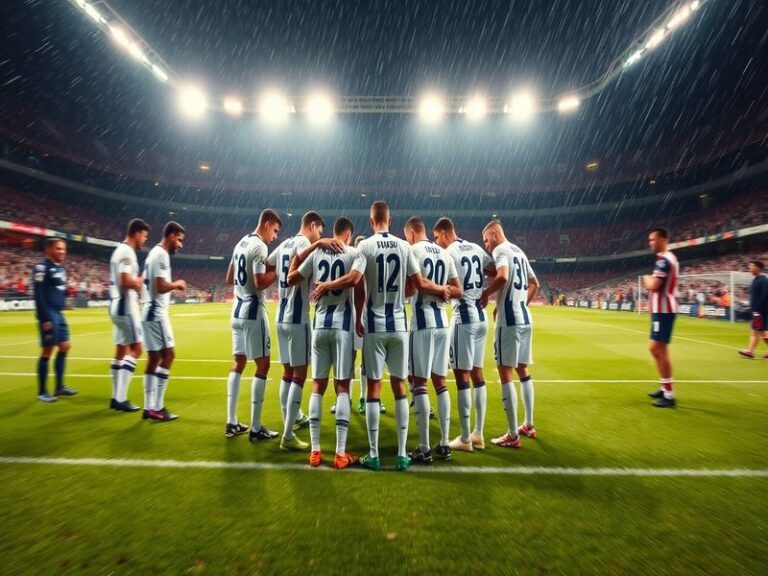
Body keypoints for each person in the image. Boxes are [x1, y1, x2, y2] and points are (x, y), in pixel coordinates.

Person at [314, 200, 448, 472]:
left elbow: (354, 280)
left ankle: (374, 455)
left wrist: (328, 285)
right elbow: (418, 284)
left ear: (371, 220)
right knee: (400, 387)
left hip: (374, 325)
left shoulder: (365, 245)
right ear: (390, 219)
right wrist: (439, 289)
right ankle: (402, 454)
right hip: (399, 326)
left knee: (373, 387)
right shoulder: (404, 245)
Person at [267, 211, 342, 452]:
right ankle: (288, 435)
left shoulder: (285, 244)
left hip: (280, 316)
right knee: (299, 375)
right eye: (319, 231)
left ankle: (292, 419)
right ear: (312, 225)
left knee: (287, 373)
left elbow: (268, 262)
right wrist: (318, 245)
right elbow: (298, 266)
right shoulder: (303, 244)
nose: (320, 236)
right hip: (297, 317)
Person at [287, 216, 358, 469]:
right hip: (343, 327)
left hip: (319, 326)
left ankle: (315, 450)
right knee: (342, 386)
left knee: (318, 385)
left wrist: (316, 245)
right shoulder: (353, 253)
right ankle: (339, 453)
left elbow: (290, 277)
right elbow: (357, 283)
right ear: (348, 235)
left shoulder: (317, 254)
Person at [403, 217, 462, 464]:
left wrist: (437, 289)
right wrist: (444, 289)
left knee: (420, 383)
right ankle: (445, 443)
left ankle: (425, 448)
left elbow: (418, 284)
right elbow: (458, 290)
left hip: (422, 323)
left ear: (411, 233)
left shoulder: (413, 250)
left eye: (406, 236)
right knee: (441, 382)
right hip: (442, 324)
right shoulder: (444, 253)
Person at [433, 217, 493, 451]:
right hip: (481, 318)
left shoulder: (448, 253)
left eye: (436, 237)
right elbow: (495, 270)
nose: (436, 242)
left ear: (443, 232)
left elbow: (445, 285)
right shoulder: (476, 247)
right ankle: (478, 433)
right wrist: (485, 292)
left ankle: (466, 438)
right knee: (478, 374)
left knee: (462, 378)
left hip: (464, 318)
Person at [479, 220, 539, 447]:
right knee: (523, 370)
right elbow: (534, 283)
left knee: (505, 373)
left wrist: (486, 293)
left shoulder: (501, 250)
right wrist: (521, 303)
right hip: (525, 319)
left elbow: (502, 276)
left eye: (486, 240)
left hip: (510, 321)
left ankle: (513, 435)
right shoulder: (519, 251)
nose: (486, 246)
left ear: (495, 234)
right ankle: (529, 424)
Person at [224, 209, 282, 440]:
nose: (275, 236)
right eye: (275, 231)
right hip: (253, 310)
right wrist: (279, 271)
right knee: (263, 365)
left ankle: (231, 421)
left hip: (236, 311)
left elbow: (229, 278)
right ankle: (256, 428)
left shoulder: (240, 243)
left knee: (238, 362)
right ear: (267, 224)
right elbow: (259, 282)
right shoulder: (259, 246)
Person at [140, 221, 187, 422]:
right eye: (179, 240)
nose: (180, 245)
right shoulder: (161, 255)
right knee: (169, 355)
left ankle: (148, 407)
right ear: (171, 235)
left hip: (149, 310)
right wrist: (177, 284)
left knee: (154, 359)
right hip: (156, 312)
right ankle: (157, 407)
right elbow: (159, 286)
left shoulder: (154, 253)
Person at [108, 218, 149, 412]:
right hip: (126, 305)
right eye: (144, 236)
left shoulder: (119, 250)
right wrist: (140, 281)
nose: (145, 240)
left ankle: (115, 397)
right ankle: (121, 398)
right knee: (137, 349)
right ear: (137, 233)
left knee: (121, 351)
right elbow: (125, 281)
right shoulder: (127, 253)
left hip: (116, 305)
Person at [33, 238, 77, 402]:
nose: (62, 252)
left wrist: (66, 295)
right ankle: (42, 392)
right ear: (48, 249)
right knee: (47, 350)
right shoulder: (41, 267)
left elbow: (59, 290)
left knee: (65, 346)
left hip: (58, 313)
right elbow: (39, 295)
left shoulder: (60, 268)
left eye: (64, 249)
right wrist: (44, 318)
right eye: (58, 249)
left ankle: (59, 387)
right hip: (48, 313)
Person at [644, 227, 679, 408]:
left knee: (657, 348)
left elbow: (654, 284)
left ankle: (669, 394)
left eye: (653, 239)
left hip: (664, 311)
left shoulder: (664, 260)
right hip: (661, 310)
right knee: (658, 349)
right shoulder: (665, 258)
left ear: (663, 239)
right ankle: (665, 388)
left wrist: (646, 279)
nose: (650, 243)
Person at [738, 260, 768, 359]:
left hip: (760, 311)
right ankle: (750, 351)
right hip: (758, 310)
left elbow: (765, 296)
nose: (749, 268)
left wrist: (757, 309)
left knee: (758, 332)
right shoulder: (757, 280)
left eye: (751, 266)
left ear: (758, 268)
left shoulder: (763, 280)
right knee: (760, 332)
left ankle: (750, 351)